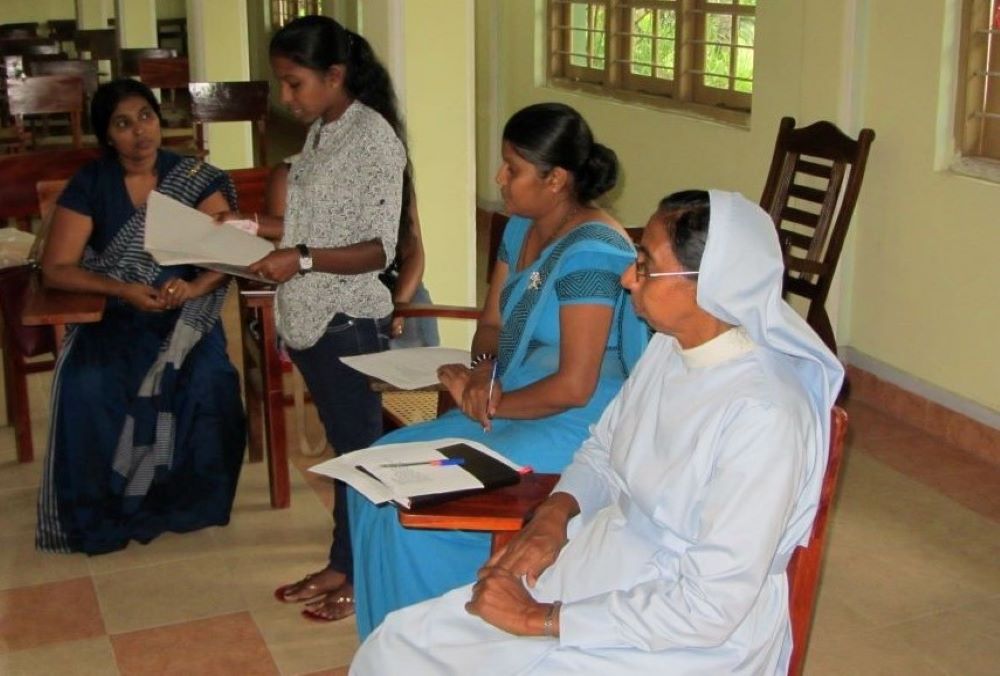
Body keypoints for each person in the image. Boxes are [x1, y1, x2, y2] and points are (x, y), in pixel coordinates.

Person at [350, 189, 844, 675]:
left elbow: (711, 606)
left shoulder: (764, 414)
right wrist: (554, 515)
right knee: (399, 646)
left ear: (709, 286)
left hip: (686, 635)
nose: (628, 278)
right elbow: (603, 448)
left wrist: (537, 618)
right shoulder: (669, 350)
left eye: (646, 265)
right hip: (609, 561)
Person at [347, 102, 650, 637]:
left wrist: (489, 400)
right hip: (513, 398)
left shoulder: (594, 254)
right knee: (373, 469)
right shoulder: (521, 227)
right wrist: (484, 372)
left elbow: (576, 386)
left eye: (513, 168)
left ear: (555, 179)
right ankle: (389, 647)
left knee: (415, 502)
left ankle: (447, 642)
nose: (499, 178)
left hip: (577, 423)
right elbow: (490, 327)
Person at [35, 79, 245, 555]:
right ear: (108, 136)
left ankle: (185, 505)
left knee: (209, 378)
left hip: (184, 313)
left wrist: (191, 286)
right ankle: (102, 510)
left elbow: (229, 252)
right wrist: (124, 290)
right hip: (115, 311)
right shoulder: (91, 184)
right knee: (89, 384)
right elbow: (57, 267)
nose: (139, 132)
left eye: (146, 117)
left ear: (159, 120)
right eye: (123, 123)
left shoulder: (192, 177)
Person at [249, 16, 407, 622]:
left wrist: (302, 257)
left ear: (335, 76)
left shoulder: (373, 138)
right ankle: (343, 561)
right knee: (347, 455)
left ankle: (368, 577)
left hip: (347, 319)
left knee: (361, 459)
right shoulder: (323, 132)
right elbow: (309, 224)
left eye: (294, 84)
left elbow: (377, 250)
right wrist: (253, 231)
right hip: (310, 317)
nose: (286, 98)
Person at [262, 158, 438, 347]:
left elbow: (414, 251)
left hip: (395, 286)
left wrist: (399, 306)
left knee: (420, 364)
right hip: (324, 288)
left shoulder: (389, 168)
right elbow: (285, 248)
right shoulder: (290, 174)